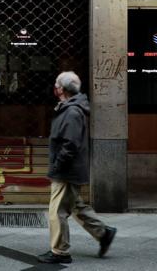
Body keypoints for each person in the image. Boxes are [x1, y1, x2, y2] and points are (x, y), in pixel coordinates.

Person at [37, 71, 117, 264]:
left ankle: (60, 251)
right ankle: (103, 233)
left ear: (62, 89)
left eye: (56, 85)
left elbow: (70, 145)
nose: (54, 88)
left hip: (66, 170)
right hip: (69, 169)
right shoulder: (69, 107)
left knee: (57, 211)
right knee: (75, 205)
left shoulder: (72, 112)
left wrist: (57, 167)